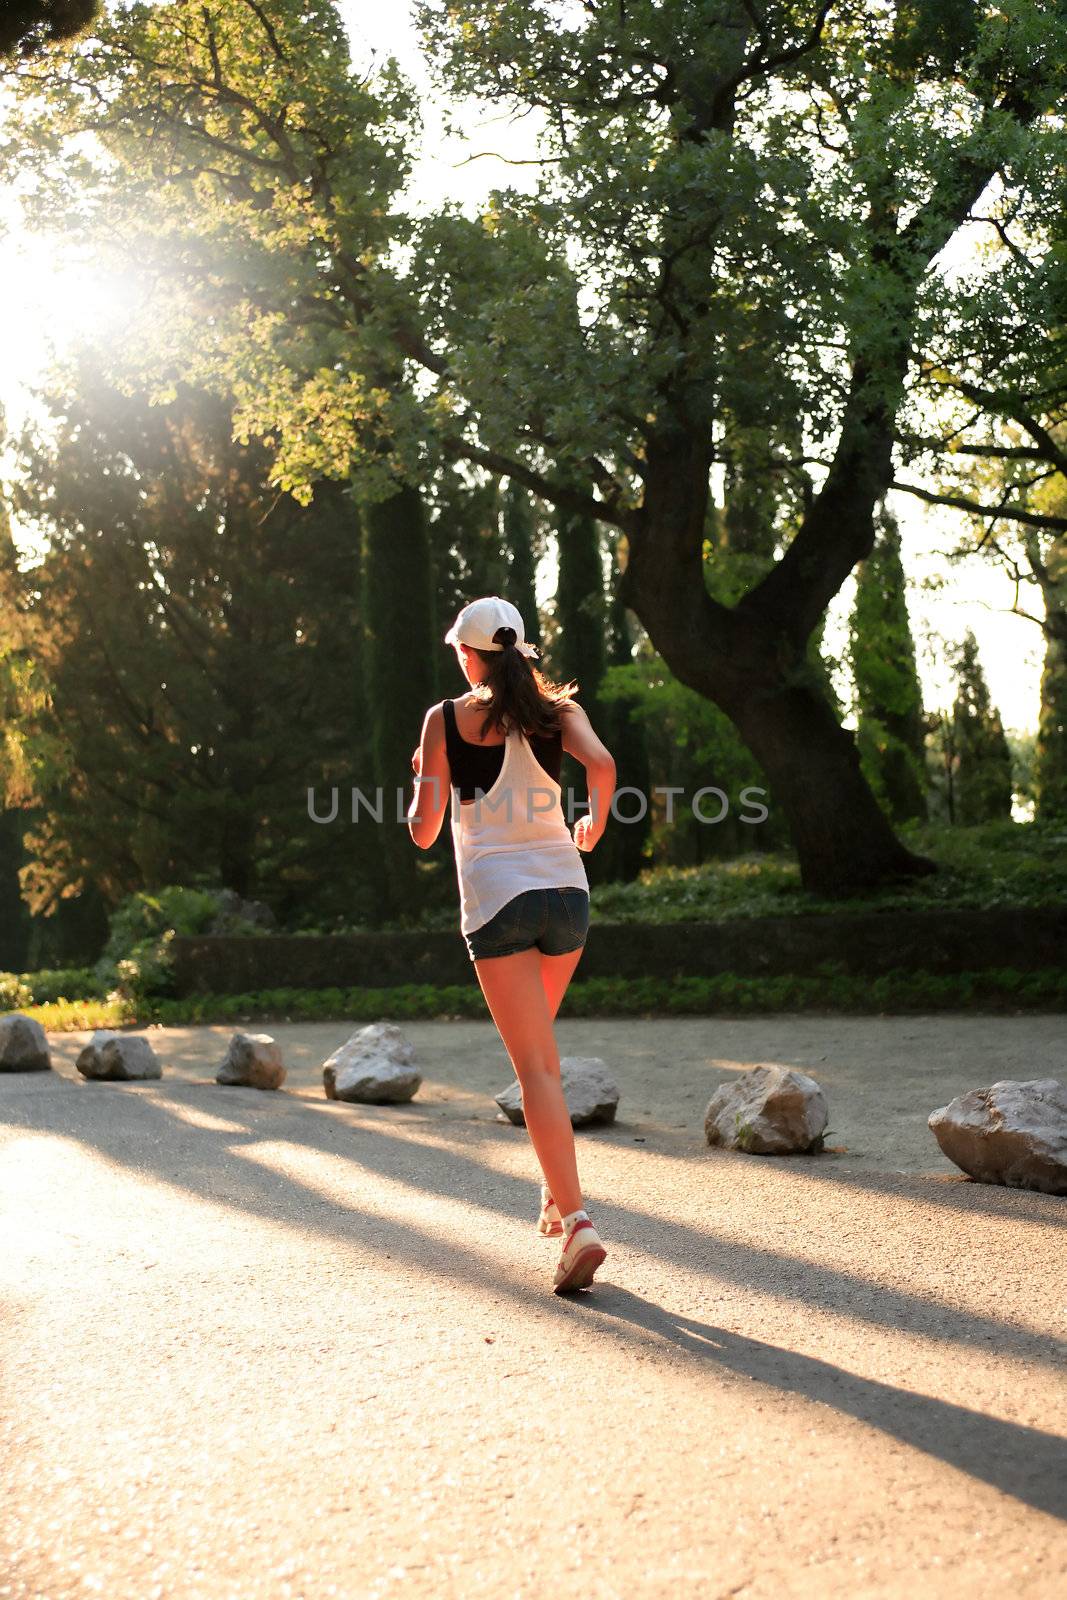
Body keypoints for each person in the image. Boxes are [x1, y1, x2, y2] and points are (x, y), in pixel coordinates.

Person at [407, 595, 617, 1293]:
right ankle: (557, 1195)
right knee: (544, 1061)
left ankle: (579, 1222)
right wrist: (591, 823)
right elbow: (603, 766)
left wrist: (420, 777)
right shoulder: (558, 711)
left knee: (536, 1070)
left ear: (468, 655)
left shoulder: (444, 720)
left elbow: (424, 831)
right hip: (567, 897)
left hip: (498, 904)